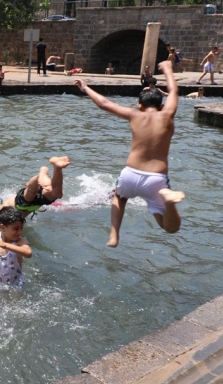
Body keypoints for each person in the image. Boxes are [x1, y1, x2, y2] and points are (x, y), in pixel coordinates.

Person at [74, 60, 185, 247]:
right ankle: (169, 202)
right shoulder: (167, 114)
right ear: (160, 106)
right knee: (170, 228)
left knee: (119, 196)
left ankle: (114, 235)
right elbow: (174, 91)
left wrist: (86, 87)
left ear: (139, 105)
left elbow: (104, 103)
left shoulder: (134, 115)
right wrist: (167, 69)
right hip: (156, 180)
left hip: (130, 174)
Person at [0, 156, 70, 218]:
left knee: (30, 195)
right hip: (36, 204)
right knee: (57, 194)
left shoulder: (2, 213)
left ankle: (41, 174)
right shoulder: (6, 206)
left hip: (21, 203)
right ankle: (57, 168)